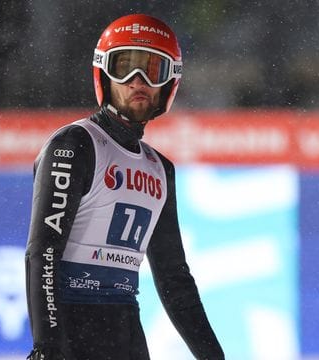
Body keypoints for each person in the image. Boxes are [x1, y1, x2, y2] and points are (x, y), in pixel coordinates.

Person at [25, 14, 224, 360]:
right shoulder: (75, 146)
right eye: (125, 66)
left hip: (127, 334)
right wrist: (47, 346)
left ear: (169, 83)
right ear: (103, 72)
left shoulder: (161, 170)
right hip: (71, 334)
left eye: (153, 70)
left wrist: (213, 355)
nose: (138, 81)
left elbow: (175, 281)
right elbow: (43, 252)